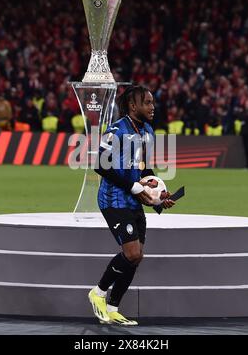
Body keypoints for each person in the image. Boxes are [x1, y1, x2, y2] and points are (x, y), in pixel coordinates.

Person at [88, 85, 175, 326]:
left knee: (136, 257)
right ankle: (98, 292)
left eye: (152, 102)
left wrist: (158, 194)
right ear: (133, 106)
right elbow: (100, 165)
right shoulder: (116, 130)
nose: (152, 107)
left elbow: (143, 169)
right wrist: (134, 187)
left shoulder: (147, 130)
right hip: (113, 200)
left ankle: (114, 308)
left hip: (132, 199)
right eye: (147, 102)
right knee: (132, 253)